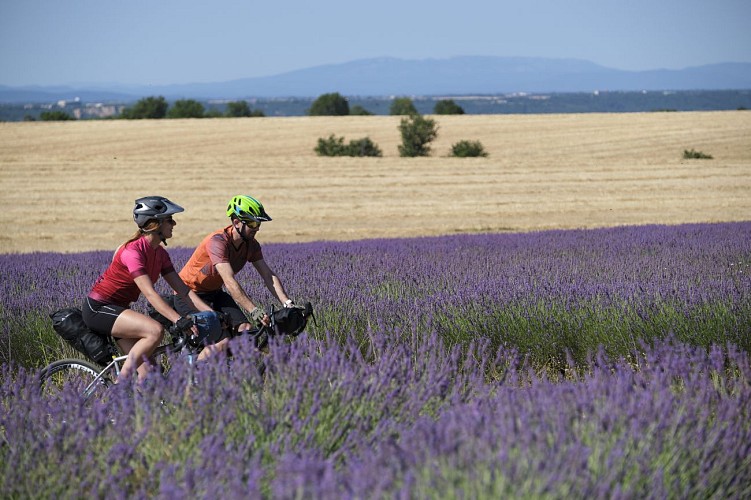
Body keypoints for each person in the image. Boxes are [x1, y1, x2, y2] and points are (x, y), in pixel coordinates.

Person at [82, 196, 215, 382]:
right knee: (154, 331)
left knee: (149, 375)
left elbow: (183, 290)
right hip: (99, 309)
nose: (174, 223)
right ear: (155, 223)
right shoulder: (132, 252)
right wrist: (178, 320)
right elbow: (150, 293)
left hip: (119, 310)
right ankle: (120, 385)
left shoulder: (160, 253)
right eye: (170, 219)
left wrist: (211, 313)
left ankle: (134, 409)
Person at [175, 195, 297, 351]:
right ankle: (197, 373)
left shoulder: (251, 245)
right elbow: (229, 281)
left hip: (214, 293)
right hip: (188, 294)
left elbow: (268, 275)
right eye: (252, 223)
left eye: (258, 223)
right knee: (222, 339)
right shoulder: (218, 242)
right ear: (236, 222)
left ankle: (235, 371)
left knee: (246, 330)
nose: (257, 228)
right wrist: (254, 311)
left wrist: (288, 303)